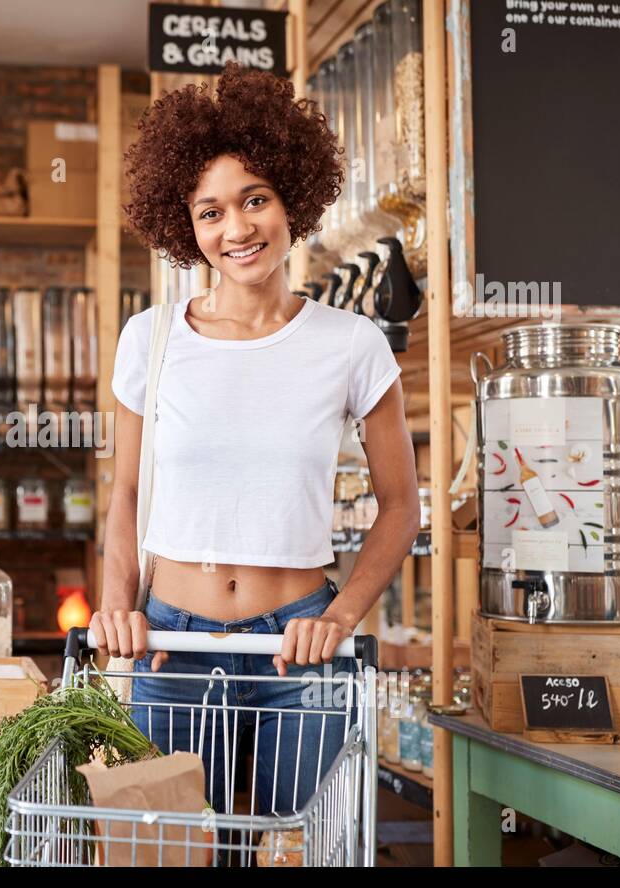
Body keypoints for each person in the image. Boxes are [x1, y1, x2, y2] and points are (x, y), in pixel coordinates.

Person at [89, 62, 419, 817]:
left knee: (298, 850)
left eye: (254, 201)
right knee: (174, 855)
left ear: (290, 203)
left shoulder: (353, 344)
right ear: (186, 226)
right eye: (210, 213)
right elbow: (130, 493)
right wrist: (117, 609)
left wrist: (338, 619)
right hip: (171, 646)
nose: (236, 229)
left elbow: (401, 509)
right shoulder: (152, 339)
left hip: (297, 649)